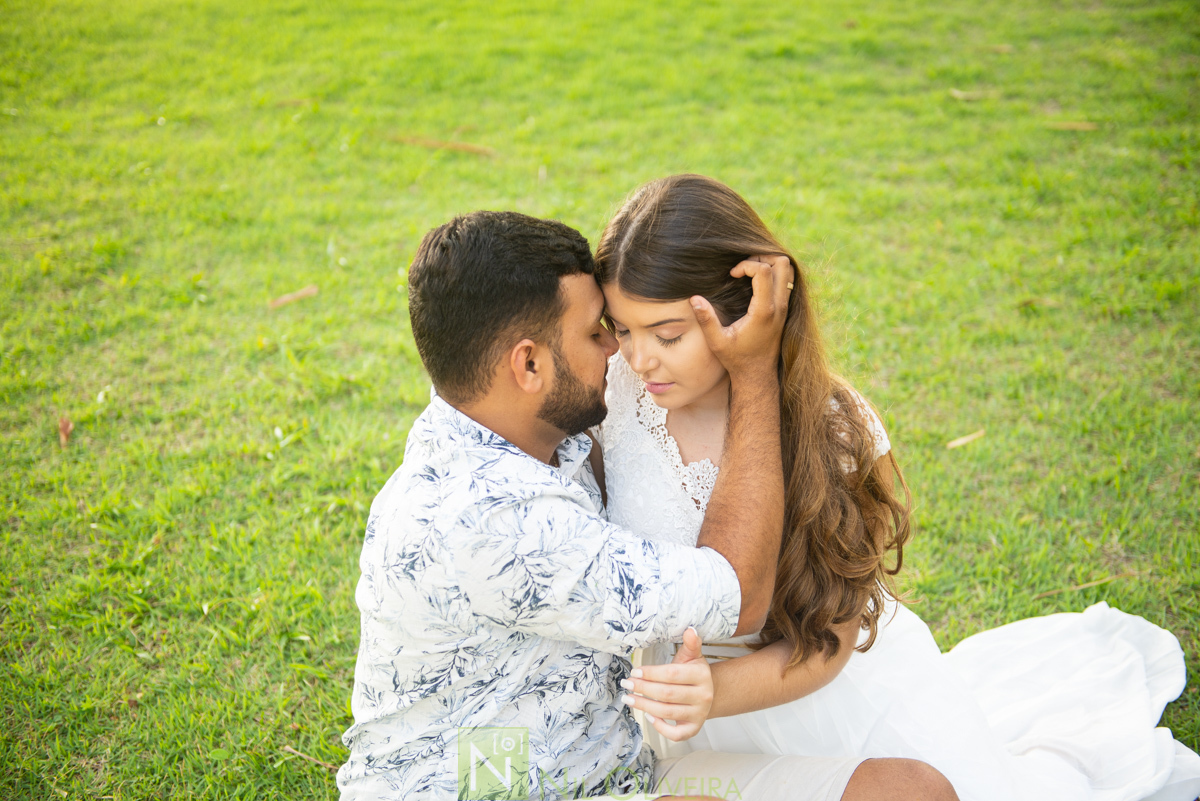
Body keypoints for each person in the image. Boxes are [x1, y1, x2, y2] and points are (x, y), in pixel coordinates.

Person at [591, 173, 1200, 801]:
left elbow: (832, 638)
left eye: (668, 335)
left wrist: (714, 691)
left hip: (817, 701)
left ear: (748, 311)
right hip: (682, 711)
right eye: (624, 329)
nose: (640, 359)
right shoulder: (615, 396)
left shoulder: (834, 429)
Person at [337, 210, 958, 801]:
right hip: (505, 785)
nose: (621, 355)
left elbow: (832, 620)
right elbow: (737, 591)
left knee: (910, 791)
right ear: (527, 364)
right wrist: (754, 373)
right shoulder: (502, 521)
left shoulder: (504, 420)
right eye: (599, 332)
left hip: (622, 767)